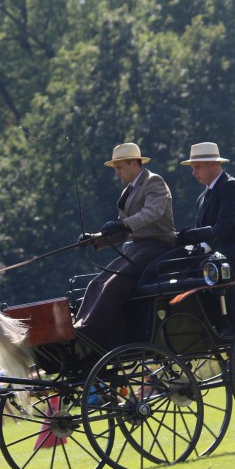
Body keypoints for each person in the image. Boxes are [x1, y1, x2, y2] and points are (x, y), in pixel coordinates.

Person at [73, 142, 177, 352]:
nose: (117, 173)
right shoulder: (127, 192)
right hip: (138, 247)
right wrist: (95, 239)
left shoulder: (154, 182)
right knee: (97, 282)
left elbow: (152, 213)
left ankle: (91, 335)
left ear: (134, 164)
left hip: (159, 245)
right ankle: (78, 327)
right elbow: (122, 232)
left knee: (114, 283)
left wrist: (123, 223)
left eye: (119, 167)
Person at [176, 141, 235, 335]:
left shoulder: (232, 187)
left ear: (212, 164)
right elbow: (201, 231)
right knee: (186, 270)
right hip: (222, 252)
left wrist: (202, 245)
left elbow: (224, 226)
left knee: (211, 267)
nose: (194, 173)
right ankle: (214, 322)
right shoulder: (202, 198)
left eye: (197, 167)